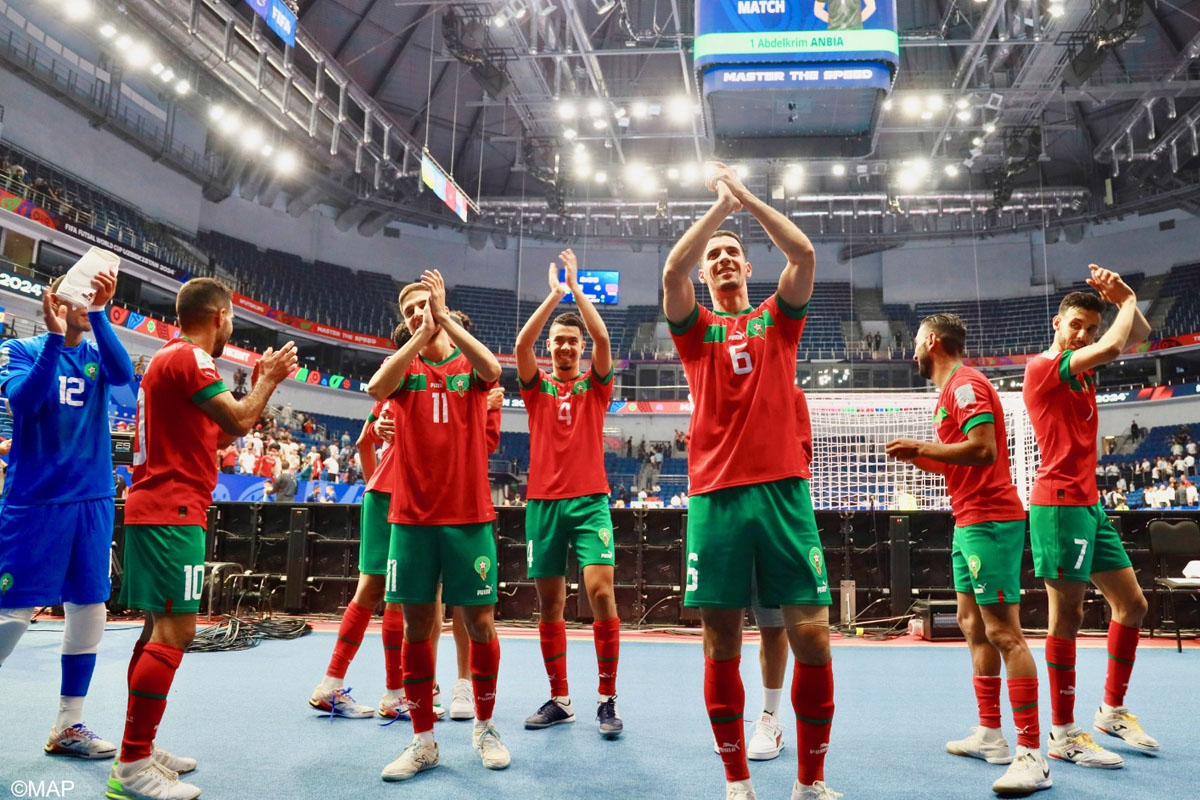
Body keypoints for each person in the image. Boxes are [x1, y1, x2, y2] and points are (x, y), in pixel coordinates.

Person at [662, 161, 835, 800]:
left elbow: (806, 252)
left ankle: (809, 782)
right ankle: (738, 783)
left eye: (735, 254)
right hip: (716, 496)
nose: (726, 259)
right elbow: (672, 273)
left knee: (811, 632)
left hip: (784, 492)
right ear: (708, 274)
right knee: (721, 638)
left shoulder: (776, 321)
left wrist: (746, 201)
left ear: (749, 267)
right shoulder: (697, 332)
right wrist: (717, 214)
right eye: (717, 257)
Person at [110, 278, 297, 800]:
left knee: (157, 630)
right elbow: (240, 416)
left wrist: (259, 384)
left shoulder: (170, 361)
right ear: (219, 315)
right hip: (171, 510)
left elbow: (223, 432)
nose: (232, 326)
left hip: (162, 508)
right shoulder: (191, 359)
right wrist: (269, 381)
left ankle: (139, 747)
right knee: (176, 632)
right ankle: (131, 765)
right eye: (232, 318)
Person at [885, 314, 1050, 795]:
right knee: (972, 625)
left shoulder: (964, 385)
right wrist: (920, 457)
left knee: (1004, 632)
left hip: (991, 519)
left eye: (915, 342)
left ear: (932, 342)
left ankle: (1032, 755)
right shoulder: (950, 390)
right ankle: (991, 737)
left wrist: (922, 444)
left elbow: (982, 450)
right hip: (968, 518)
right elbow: (959, 461)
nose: (911, 351)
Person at [367, 270, 507, 781]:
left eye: (425, 305)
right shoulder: (402, 371)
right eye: (409, 312)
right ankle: (423, 741)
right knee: (417, 628)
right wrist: (418, 338)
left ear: (443, 305)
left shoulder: (467, 365)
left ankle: (486, 727)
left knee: (480, 625)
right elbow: (375, 386)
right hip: (411, 519)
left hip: (468, 517)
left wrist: (444, 320)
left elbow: (492, 369)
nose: (418, 314)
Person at [1022, 266, 1158, 771]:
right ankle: (1062, 733)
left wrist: (1125, 299)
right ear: (1058, 324)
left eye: (1089, 327)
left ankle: (1112, 711)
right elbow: (1116, 347)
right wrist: (1126, 304)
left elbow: (1138, 333)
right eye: (1075, 324)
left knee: (1133, 605)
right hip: (1057, 504)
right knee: (1068, 618)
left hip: (1089, 505)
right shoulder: (1045, 366)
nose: (1082, 333)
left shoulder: (1080, 371)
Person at [0, 269, 133, 760]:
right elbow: (23, 401)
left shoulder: (99, 355)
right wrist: (56, 337)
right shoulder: (23, 350)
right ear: (51, 300)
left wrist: (99, 313)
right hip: (36, 502)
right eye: (75, 294)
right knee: (11, 614)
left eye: (90, 295)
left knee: (89, 607)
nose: (83, 301)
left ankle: (68, 723)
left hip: (93, 501)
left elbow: (124, 378)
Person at [515, 249, 622, 737]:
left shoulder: (594, 387)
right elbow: (520, 346)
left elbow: (602, 335)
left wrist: (577, 291)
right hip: (542, 505)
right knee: (551, 604)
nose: (564, 348)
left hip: (589, 501)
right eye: (557, 341)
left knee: (600, 591)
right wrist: (553, 297)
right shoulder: (536, 387)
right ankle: (561, 698)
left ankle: (606, 699)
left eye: (570, 342)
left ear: (579, 349)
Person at [309, 325, 413, 722]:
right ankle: (393, 693)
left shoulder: (391, 380)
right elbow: (368, 438)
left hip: (382, 491)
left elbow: (363, 440)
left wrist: (374, 480)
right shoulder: (408, 377)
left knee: (373, 591)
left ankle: (332, 685)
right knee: (394, 594)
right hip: (398, 495)